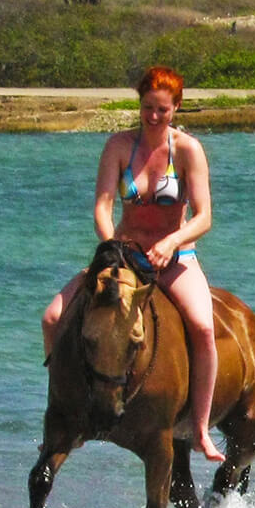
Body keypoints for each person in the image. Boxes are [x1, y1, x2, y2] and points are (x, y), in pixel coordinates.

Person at [41, 65, 225, 463]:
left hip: (174, 256)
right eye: (147, 107)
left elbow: (204, 216)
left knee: (204, 327)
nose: (153, 116)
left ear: (176, 107)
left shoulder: (188, 150)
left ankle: (199, 428)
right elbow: (103, 206)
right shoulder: (119, 146)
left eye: (162, 109)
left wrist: (172, 242)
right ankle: (67, 411)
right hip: (123, 255)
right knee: (54, 318)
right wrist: (111, 245)